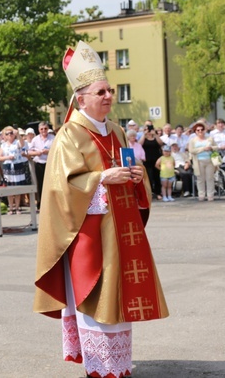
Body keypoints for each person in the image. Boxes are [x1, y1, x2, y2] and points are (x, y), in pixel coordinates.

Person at [34, 41, 168, 378]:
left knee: (119, 300)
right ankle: (100, 369)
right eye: (101, 92)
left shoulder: (118, 131)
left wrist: (138, 178)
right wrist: (101, 179)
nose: (108, 96)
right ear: (81, 99)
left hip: (121, 233)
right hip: (88, 237)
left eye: (110, 90)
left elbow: (131, 176)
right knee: (97, 298)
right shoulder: (69, 136)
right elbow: (60, 189)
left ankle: (118, 368)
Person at [0, 125, 28, 214]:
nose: (10, 135)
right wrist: (7, 157)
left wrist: (18, 134)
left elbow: (22, 144)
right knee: (9, 189)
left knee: (17, 188)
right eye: (7, 134)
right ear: (5, 136)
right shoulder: (3, 145)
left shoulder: (17, 142)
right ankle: (11, 207)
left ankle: (18, 207)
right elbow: (0, 158)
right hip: (8, 167)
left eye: (11, 133)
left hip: (17, 165)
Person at [27, 122, 54, 212]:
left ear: (48, 129)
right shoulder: (35, 139)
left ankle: (50, 204)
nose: (43, 131)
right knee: (40, 184)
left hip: (49, 163)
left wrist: (48, 151)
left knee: (50, 184)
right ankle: (40, 204)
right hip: (38, 163)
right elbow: (29, 152)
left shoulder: (52, 138)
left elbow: (57, 150)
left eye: (45, 129)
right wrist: (36, 153)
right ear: (38, 130)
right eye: (41, 129)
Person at [188, 121, 216, 202]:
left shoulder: (210, 139)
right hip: (198, 161)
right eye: (198, 130)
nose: (200, 131)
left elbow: (216, 147)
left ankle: (210, 195)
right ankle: (201, 195)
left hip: (209, 160)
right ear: (195, 131)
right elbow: (191, 150)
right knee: (200, 179)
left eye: (201, 129)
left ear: (204, 130)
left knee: (210, 178)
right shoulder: (193, 140)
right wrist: (203, 149)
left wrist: (211, 148)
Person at [141, 121, 164, 200]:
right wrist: (145, 134)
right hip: (147, 160)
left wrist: (155, 134)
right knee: (149, 177)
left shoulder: (155, 137)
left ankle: (158, 192)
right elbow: (139, 144)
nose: (150, 130)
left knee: (157, 176)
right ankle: (150, 193)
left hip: (156, 159)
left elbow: (161, 143)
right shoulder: (144, 137)